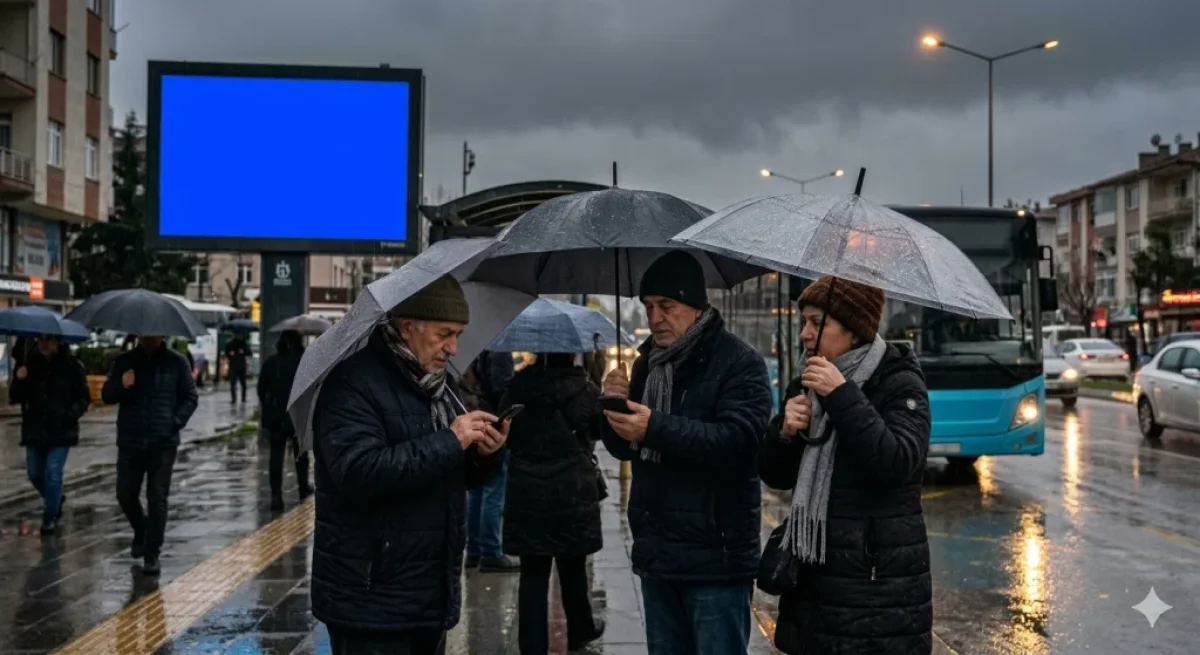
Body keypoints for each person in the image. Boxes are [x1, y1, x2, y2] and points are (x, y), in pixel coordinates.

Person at [311, 274, 511, 655]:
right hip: (371, 599)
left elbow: (453, 477)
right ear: (407, 328)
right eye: (444, 334)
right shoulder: (353, 383)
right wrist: (450, 440)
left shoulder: (439, 387)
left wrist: (486, 453)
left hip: (429, 594)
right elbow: (357, 471)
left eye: (459, 334)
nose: (454, 348)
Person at [600, 250, 772, 655]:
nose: (655, 317)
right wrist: (611, 408)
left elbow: (741, 441)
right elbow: (626, 449)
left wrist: (654, 427)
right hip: (659, 556)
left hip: (716, 557)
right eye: (647, 307)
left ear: (695, 306)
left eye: (666, 306)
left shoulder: (739, 362)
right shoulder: (647, 365)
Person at [758, 276, 932, 654]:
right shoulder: (808, 380)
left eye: (818, 323)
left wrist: (841, 395)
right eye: (803, 321)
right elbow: (775, 475)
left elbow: (895, 463)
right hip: (813, 584)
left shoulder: (900, 382)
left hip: (875, 591)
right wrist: (784, 431)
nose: (805, 333)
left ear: (854, 330)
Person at [499, 352, 606, 654]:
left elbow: (506, 432)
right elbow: (601, 432)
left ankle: (532, 646)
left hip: (527, 490)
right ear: (572, 355)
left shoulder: (517, 388)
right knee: (572, 567)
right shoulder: (585, 391)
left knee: (533, 573)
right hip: (572, 490)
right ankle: (580, 631)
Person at [102, 334, 199, 575]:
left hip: (163, 442)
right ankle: (141, 531)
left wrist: (174, 422)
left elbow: (190, 397)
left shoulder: (176, 362)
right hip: (130, 440)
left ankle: (152, 552)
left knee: (157, 498)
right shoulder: (124, 361)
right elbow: (107, 395)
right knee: (125, 494)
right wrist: (121, 385)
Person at [8, 334, 90, 535]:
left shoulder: (71, 366)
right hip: (35, 429)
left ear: (58, 342)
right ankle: (56, 498)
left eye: (49, 340)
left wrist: (69, 416)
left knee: (53, 473)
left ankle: (50, 516)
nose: (44, 344)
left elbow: (83, 398)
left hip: (61, 430)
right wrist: (20, 379)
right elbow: (14, 396)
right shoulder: (29, 364)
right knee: (35, 473)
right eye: (41, 340)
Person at [459, 349, 519, 572]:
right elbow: (501, 387)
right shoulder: (499, 348)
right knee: (493, 489)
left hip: (470, 416)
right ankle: (491, 552)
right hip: (490, 421)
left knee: (476, 491)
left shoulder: (476, 346)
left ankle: (474, 550)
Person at [257, 330, 312, 511]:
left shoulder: (271, 362)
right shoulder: (304, 362)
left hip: (276, 416)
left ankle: (276, 497)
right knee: (301, 455)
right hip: (299, 416)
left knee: (276, 456)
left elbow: (261, 388)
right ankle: (303, 487)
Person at [225, 332, 250, 403]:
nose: (238, 336)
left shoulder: (243, 344)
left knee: (243, 383)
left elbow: (249, 352)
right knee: (233, 384)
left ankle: (243, 398)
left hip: (241, 366)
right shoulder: (230, 344)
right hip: (233, 366)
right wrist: (230, 354)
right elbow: (226, 353)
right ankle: (234, 399)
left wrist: (244, 351)